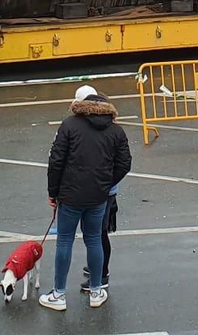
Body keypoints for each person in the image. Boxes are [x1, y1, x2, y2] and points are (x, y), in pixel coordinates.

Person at [41, 88, 131, 311]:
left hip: (70, 195)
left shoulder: (69, 125)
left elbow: (56, 161)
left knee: (64, 241)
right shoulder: (116, 131)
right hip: (99, 197)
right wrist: (105, 183)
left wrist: (53, 192)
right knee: (93, 240)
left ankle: (59, 294)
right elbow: (124, 164)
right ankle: (97, 290)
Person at [70, 85, 119, 293]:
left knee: (98, 235)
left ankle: (102, 274)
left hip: (97, 190)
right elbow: (122, 163)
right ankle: (97, 268)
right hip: (107, 190)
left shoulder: (89, 128)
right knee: (97, 233)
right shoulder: (110, 125)